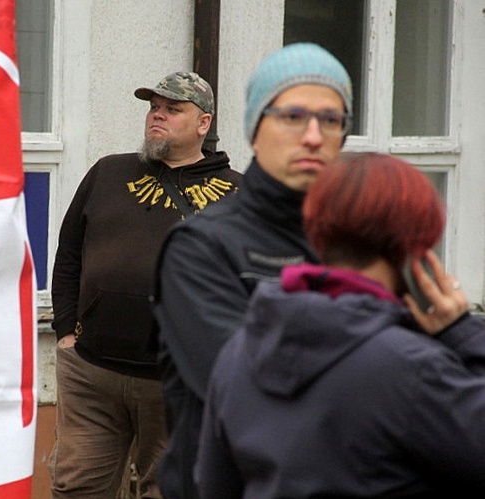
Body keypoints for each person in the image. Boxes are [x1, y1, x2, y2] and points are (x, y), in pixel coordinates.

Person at [196, 152, 485, 497]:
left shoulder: (239, 350)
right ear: (415, 249)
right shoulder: (411, 366)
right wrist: (463, 334)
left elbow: (213, 486)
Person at [151, 43, 353, 498]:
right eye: (292, 116)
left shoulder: (359, 244)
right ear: (255, 130)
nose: (314, 136)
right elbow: (250, 392)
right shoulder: (201, 248)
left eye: (331, 119)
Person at [49, 71, 242, 498]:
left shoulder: (237, 195)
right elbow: (68, 257)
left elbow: (249, 289)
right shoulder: (108, 173)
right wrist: (64, 333)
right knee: (75, 487)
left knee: (169, 491)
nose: (158, 116)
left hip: (177, 384)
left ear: (203, 124)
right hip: (92, 373)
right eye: (154, 108)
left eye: (173, 109)